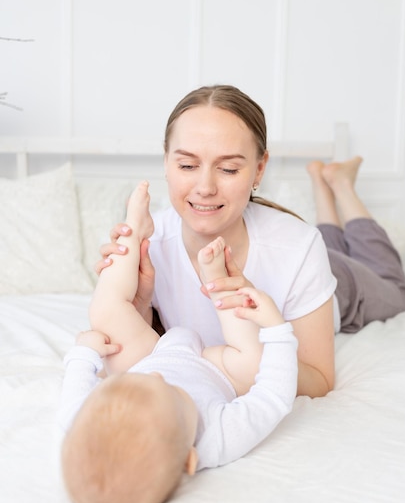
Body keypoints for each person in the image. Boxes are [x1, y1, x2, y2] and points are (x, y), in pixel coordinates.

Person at [59, 181, 298, 503]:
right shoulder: (217, 439)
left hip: (146, 356)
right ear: (190, 459)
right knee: (252, 365)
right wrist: (276, 331)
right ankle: (218, 283)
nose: (159, 377)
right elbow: (272, 399)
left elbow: (72, 403)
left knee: (104, 312)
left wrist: (83, 354)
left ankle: (133, 234)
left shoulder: (84, 429)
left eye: (145, 384)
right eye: (167, 390)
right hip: (216, 368)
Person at [98, 85, 338, 399]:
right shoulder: (151, 243)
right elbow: (137, 352)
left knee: (381, 272)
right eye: (187, 166)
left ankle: (338, 189)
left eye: (228, 169)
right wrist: (139, 305)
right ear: (166, 162)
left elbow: (320, 379)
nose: (205, 187)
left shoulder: (299, 248)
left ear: (259, 169)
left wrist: (252, 329)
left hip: (348, 286)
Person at [306, 156, 405, 332]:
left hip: (330, 274)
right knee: (328, 259)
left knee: (402, 297)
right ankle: (325, 185)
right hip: (325, 265)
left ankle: (341, 185)